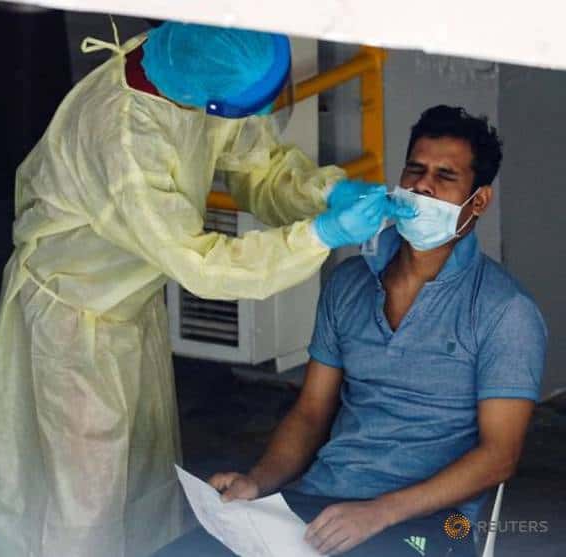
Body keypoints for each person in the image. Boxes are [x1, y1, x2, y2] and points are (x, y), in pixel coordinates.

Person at [0, 21, 410, 557]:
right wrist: (321, 235)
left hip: (127, 305)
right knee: (81, 505)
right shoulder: (126, 144)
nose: (261, 117)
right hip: (72, 320)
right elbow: (205, 267)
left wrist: (328, 194)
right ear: (209, 99)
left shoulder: (191, 63)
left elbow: (258, 165)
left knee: (145, 482)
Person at [207, 106, 547, 557]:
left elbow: (499, 456)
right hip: (325, 497)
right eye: (415, 169)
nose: (422, 185)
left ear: (478, 201)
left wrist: (379, 513)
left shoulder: (504, 310)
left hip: (431, 521)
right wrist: (257, 481)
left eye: (445, 176)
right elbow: (310, 413)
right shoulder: (350, 282)